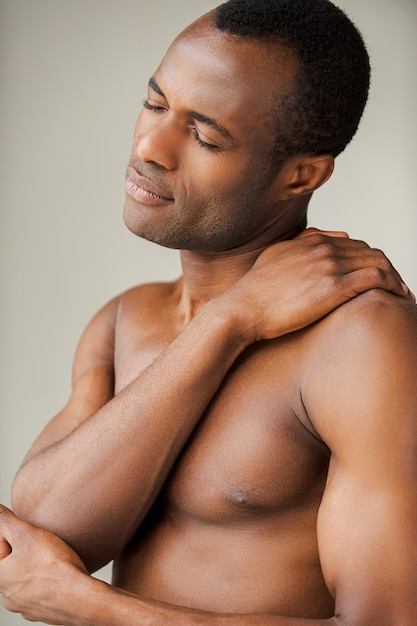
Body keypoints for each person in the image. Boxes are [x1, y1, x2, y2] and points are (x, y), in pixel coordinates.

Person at [1, 0, 416, 624]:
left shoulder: (361, 340)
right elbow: (40, 532)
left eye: (204, 136)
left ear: (300, 176)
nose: (150, 146)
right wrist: (230, 321)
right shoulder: (123, 320)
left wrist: (87, 607)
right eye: (155, 102)